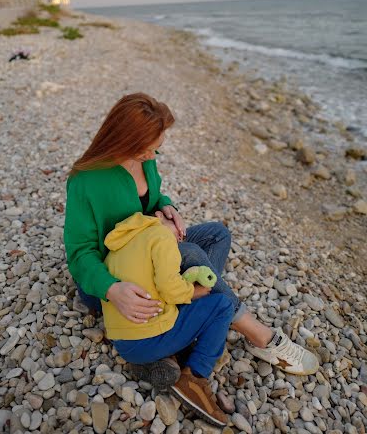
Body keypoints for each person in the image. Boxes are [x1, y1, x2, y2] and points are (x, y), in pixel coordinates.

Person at [63, 93, 319, 388]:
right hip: (115, 279)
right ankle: (257, 334)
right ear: (124, 140)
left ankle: (178, 316)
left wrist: (166, 206)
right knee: (192, 252)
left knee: (217, 234)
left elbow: (150, 199)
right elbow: (80, 253)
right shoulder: (85, 181)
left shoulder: (145, 160)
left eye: (155, 148)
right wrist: (112, 289)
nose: (152, 156)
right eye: (146, 150)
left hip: (148, 249)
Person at [101, 210, 232, 426]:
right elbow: (169, 287)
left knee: (186, 310)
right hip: (148, 339)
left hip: (123, 343)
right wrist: (193, 291)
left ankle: (159, 359)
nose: (181, 235)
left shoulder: (118, 244)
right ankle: (195, 377)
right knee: (221, 305)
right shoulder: (161, 236)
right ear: (160, 215)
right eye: (179, 229)